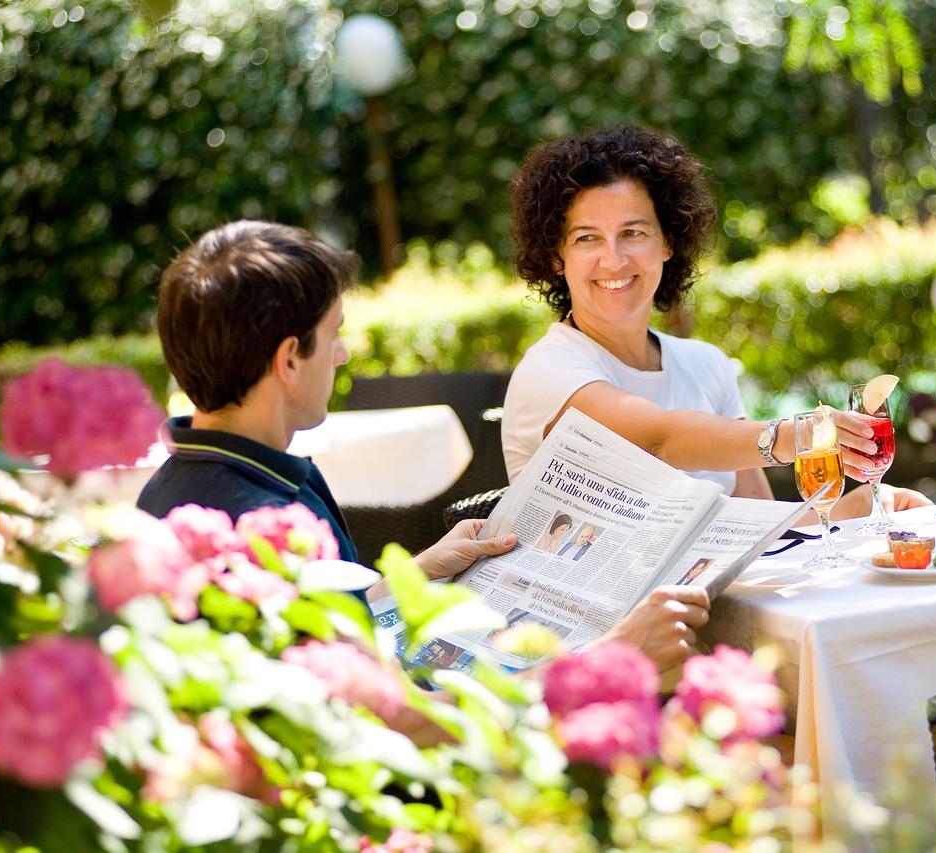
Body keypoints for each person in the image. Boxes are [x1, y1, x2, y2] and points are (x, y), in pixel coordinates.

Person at [139, 220, 709, 674]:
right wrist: (616, 654)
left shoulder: (184, 484)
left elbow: (320, 630)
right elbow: (392, 726)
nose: (341, 356)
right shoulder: (258, 525)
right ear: (289, 360)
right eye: (334, 333)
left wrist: (422, 570)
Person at [501, 126, 931, 517]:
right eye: (587, 238)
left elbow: (761, 522)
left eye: (633, 233)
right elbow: (660, 439)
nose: (613, 259)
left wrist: (860, 508)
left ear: (668, 243)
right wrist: (799, 435)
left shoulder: (706, 364)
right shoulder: (551, 371)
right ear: (557, 256)